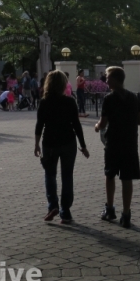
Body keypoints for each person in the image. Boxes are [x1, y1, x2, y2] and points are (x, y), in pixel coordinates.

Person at [34, 70, 89, 224]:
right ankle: (66, 211)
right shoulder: (70, 101)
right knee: (67, 176)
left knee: (50, 174)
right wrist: (83, 146)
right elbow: (76, 125)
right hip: (68, 142)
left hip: (50, 142)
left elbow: (39, 125)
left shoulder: (44, 102)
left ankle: (53, 205)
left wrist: (36, 144)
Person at [95, 66, 140, 229]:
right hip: (130, 142)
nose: (106, 80)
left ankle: (110, 209)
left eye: (108, 77)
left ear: (116, 79)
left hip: (113, 142)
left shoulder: (109, 99)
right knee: (127, 178)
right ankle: (126, 213)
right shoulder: (133, 97)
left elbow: (103, 123)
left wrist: (97, 126)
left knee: (110, 175)